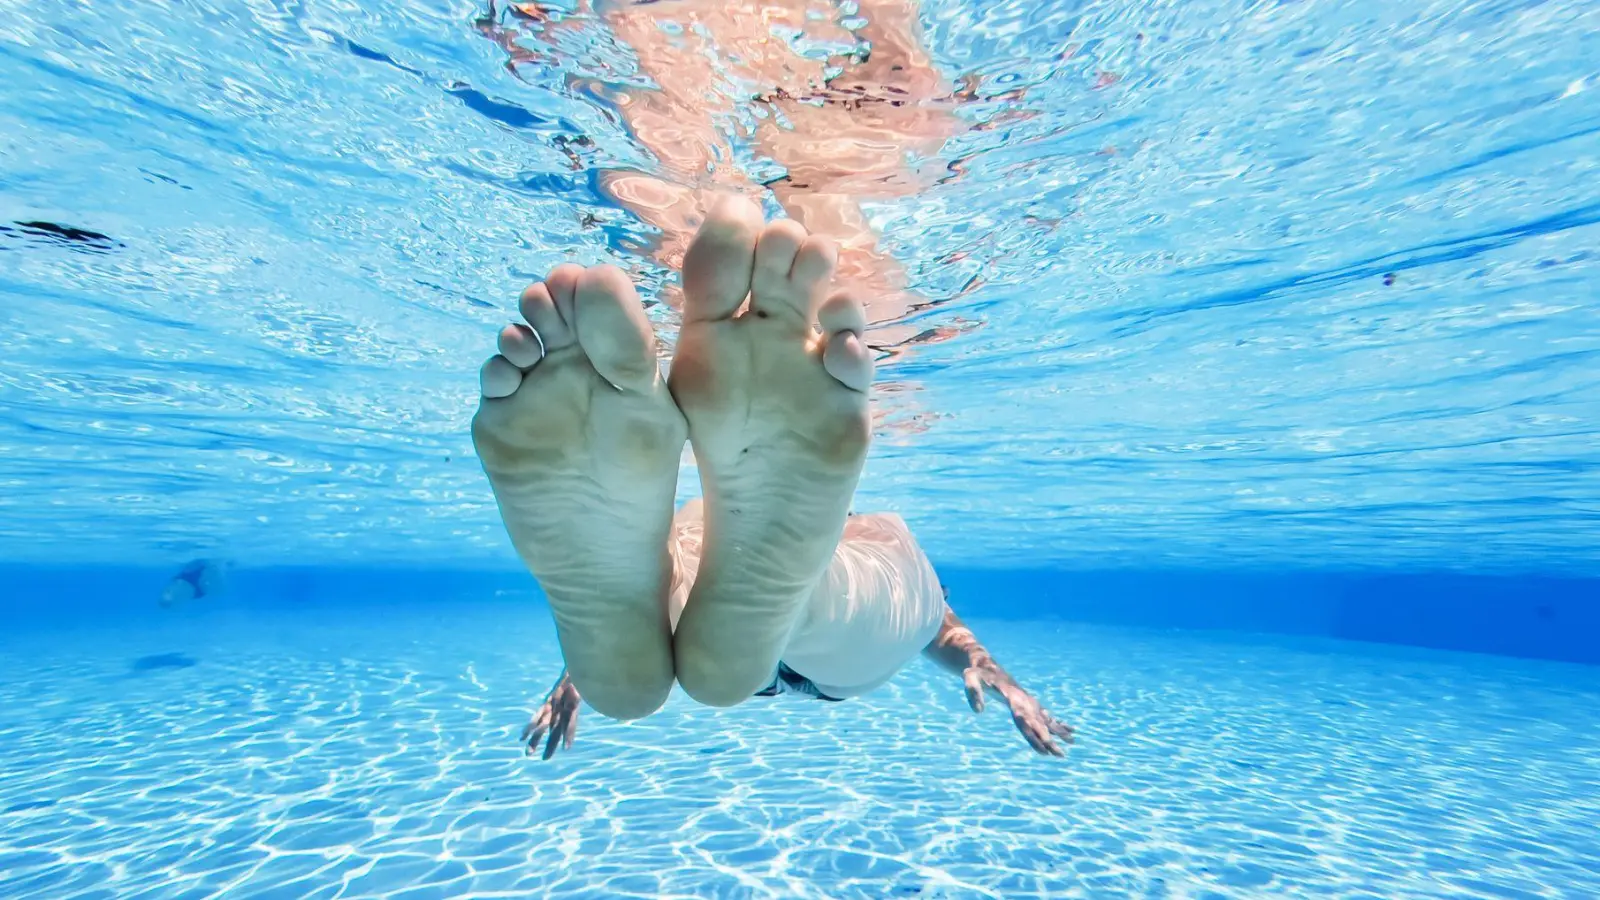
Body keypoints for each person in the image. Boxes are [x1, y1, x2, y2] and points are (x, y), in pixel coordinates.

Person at [473, 196, 1073, 758]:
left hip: (703, 589)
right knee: (884, 578)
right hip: (839, 646)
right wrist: (989, 667)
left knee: (681, 555)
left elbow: (613, 575)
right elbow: (941, 628)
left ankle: (713, 617)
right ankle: (802, 597)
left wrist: (582, 671)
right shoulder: (856, 534)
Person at [476, 0, 1010, 352]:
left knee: (686, 182)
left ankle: (686, 364)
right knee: (823, 183)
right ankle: (862, 351)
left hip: (666, 46)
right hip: (799, 68)